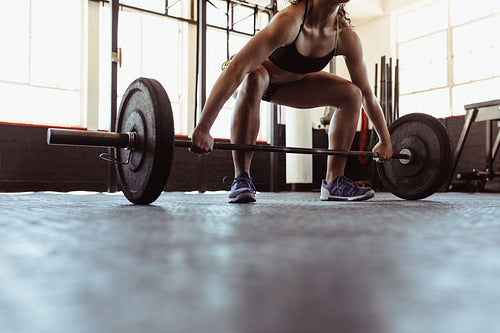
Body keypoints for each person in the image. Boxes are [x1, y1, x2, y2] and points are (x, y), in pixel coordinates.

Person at [190, 0, 393, 203]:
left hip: (288, 84)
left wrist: (384, 140)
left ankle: (334, 181)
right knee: (256, 76)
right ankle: (241, 177)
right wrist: (204, 127)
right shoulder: (289, 21)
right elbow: (237, 68)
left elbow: (367, 94)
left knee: (353, 94)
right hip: (249, 74)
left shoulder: (346, 37)